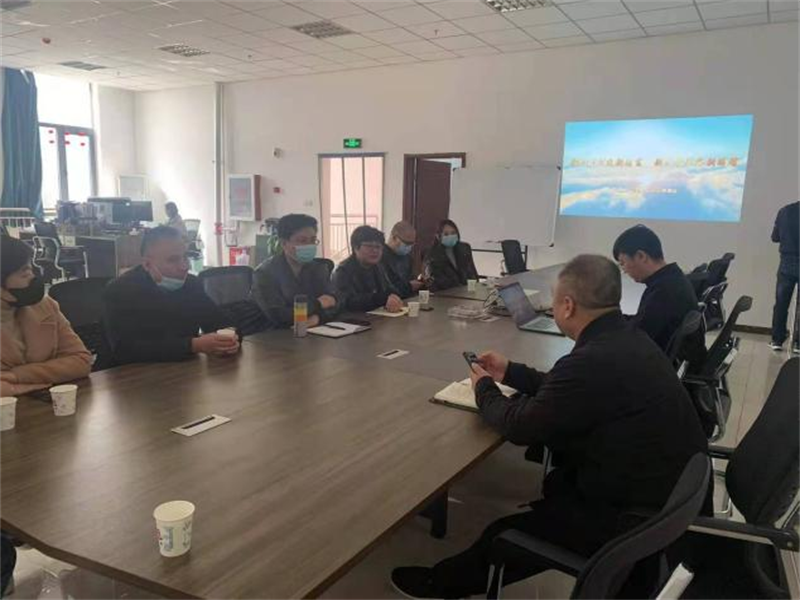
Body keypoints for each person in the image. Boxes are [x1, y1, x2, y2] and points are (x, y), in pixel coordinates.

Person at [391, 255, 710, 599]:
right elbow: (568, 388)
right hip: (663, 498)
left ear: (568, 306)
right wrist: (510, 372)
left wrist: (483, 388)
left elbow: (519, 427)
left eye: (555, 301)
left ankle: (439, 584)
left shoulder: (592, 360)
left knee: (502, 534)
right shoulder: (626, 339)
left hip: (629, 520)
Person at [104, 226, 238, 365]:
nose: (184, 266)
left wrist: (230, 338)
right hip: (133, 374)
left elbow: (221, 322)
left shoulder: (191, 284)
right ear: (147, 264)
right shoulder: (120, 290)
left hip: (186, 371)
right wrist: (193, 345)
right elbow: (124, 350)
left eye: (185, 257)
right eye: (173, 260)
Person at [0, 236, 92, 397]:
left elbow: (81, 361)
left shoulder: (44, 306)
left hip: (50, 403)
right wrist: (48, 373)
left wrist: (17, 376)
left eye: (31, 269)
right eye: (24, 274)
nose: (33, 277)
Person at [613, 224, 706, 367]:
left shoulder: (664, 291)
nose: (624, 270)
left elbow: (637, 338)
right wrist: (614, 319)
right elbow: (643, 322)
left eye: (623, 263)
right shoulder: (672, 279)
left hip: (662, 367)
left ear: (641, 256)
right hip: (679, 362)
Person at [251, 214, 340, 328]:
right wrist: (318, 304)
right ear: (284, 243)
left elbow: (336, 303)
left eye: (313, 240)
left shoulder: (318, 268)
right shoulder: (264, 273)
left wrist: (318, 318)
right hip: (272, 333)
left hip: (311, 331)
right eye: (302, 240)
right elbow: (279, 315)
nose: (309, 245)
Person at [333, 226, 404, 313]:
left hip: (377, 316)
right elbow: (348, 302)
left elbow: (389, 290)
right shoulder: (343, 271)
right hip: (353, 318)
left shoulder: (379, 267)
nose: (375, 250)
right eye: (369, 246)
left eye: (378, 247)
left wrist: (393, 296)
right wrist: (381, 299)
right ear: (356, 248)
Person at [770, 200, 800, 353]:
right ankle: (798, 343)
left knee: (781, 303)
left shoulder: (784, 211)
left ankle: (777, 339)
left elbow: (775, 237)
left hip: (787, 263)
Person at [423, 219, 478, 292]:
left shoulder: (464, 248)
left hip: (467, 291)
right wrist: (458, 289)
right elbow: (435, 280)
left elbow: (472, 272)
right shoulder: (431, 253)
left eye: (453, 233)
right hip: (444, 293)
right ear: (438, 236)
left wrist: (474, 286)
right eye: (446, 234)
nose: (450, 236)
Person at [381, 221, 424, 299]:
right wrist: (408, 286)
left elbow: (411, 279)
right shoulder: (380, 257)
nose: (409, 247)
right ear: (394, 238)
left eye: (412, 244)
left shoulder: (407, 257)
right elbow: (384, 287)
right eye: (406, 243)